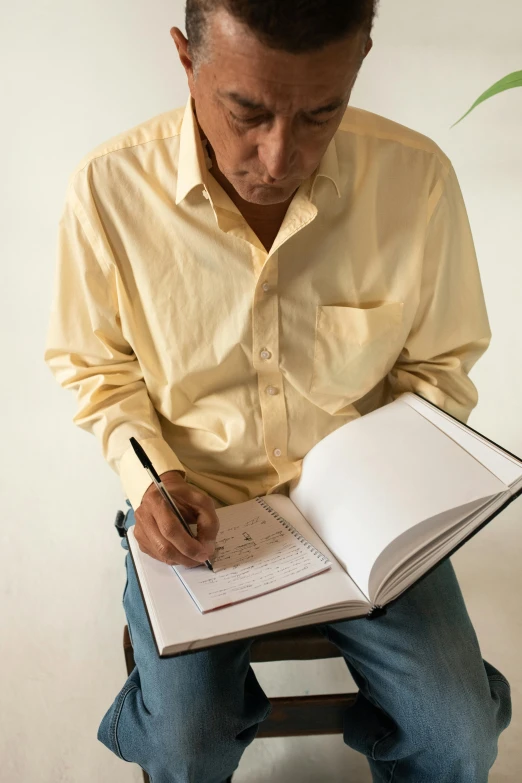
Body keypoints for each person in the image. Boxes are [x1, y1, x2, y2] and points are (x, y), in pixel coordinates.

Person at [43, 1, 512, 781]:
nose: (278, 154)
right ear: (186, 62)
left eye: (321, 113)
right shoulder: (107, 191)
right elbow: (98, 368)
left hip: (365, 522)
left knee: (459, 736)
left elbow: (439, 366)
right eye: (247, 111)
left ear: (362, 55)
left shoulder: (417, 181)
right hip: (199, 509)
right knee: (185, 746)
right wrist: (153, 479)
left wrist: (389, 484)